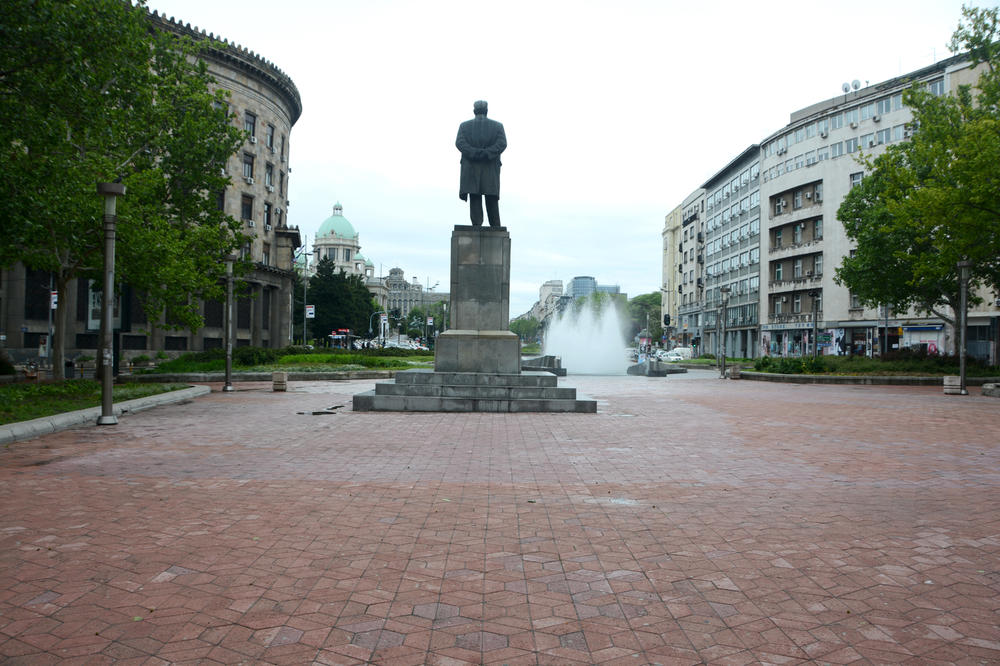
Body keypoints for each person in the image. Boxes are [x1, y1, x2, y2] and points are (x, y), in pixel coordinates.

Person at [456, 100, 507, 227]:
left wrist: (474, 153)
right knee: (491, 199)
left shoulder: (464, 126)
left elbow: (460, 143)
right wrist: (487, 153)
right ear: (487, 111)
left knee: (475, 197)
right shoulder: (498, 126)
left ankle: (476, 226)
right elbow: (502, 143)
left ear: (474, 111)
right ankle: (495, 227)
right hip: (490, 168)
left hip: (471, 168)